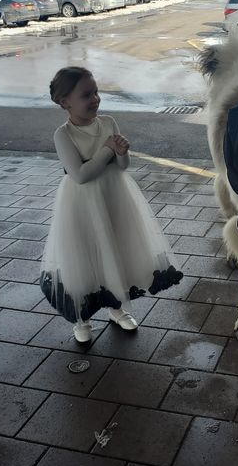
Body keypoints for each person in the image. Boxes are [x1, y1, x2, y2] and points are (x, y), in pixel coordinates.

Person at [40, 66, 183, 344]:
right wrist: (108, 149)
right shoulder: (63, 134)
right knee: (85, 254)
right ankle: (82, 317)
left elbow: (122, 166)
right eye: (86, 95)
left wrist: (122, 152)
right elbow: (80, 175)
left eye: (96, 92)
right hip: (80, 203)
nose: (94, 99)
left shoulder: (108, 122)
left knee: (115, 248)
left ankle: (116, 308)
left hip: (114, 195)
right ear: (65, 101)